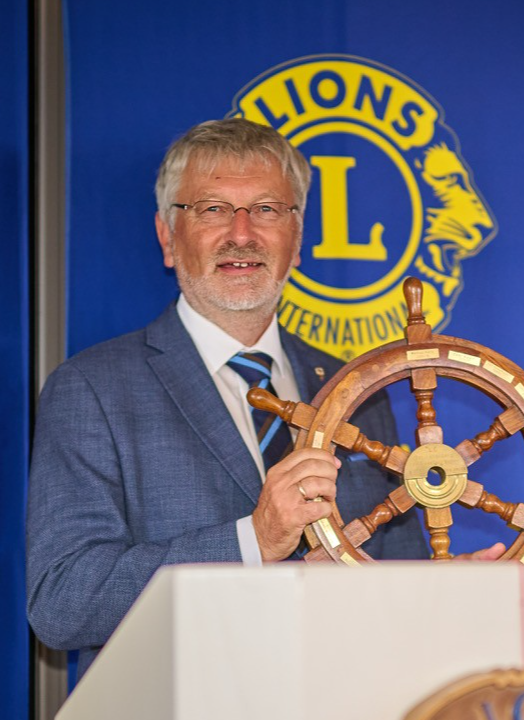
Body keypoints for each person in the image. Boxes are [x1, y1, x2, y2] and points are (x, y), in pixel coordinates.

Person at [26, 118, 429, 680]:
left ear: (298, 237)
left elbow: (403, 569)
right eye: (213, 209)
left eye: (267, 209)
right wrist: (254, 541)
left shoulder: (353, 388)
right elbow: (63, 603)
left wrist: (469, 583)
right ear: (168, 237)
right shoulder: (93, 388)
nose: (242, 233)